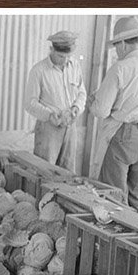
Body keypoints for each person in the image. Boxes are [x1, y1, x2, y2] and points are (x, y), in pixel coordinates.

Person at [89, 16, 138, 212]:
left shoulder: (121, 68)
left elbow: (102, 110)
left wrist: (93, 102)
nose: (117, 51)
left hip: (123, 135)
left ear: (123, 44)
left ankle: (114, 241)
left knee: (113, 196)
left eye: (117, 46)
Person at [24, 29, 87, 172]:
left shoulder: (75, 65)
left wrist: (76, 108)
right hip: (48, 128)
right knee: (45, 171)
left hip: (70, 126)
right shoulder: (39, 70)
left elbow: (82, 93)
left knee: (67, 170)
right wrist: (49, 115)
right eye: (60, 56)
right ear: (51, 49)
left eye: (68, 56)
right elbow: (29, 103)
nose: (64, 60)